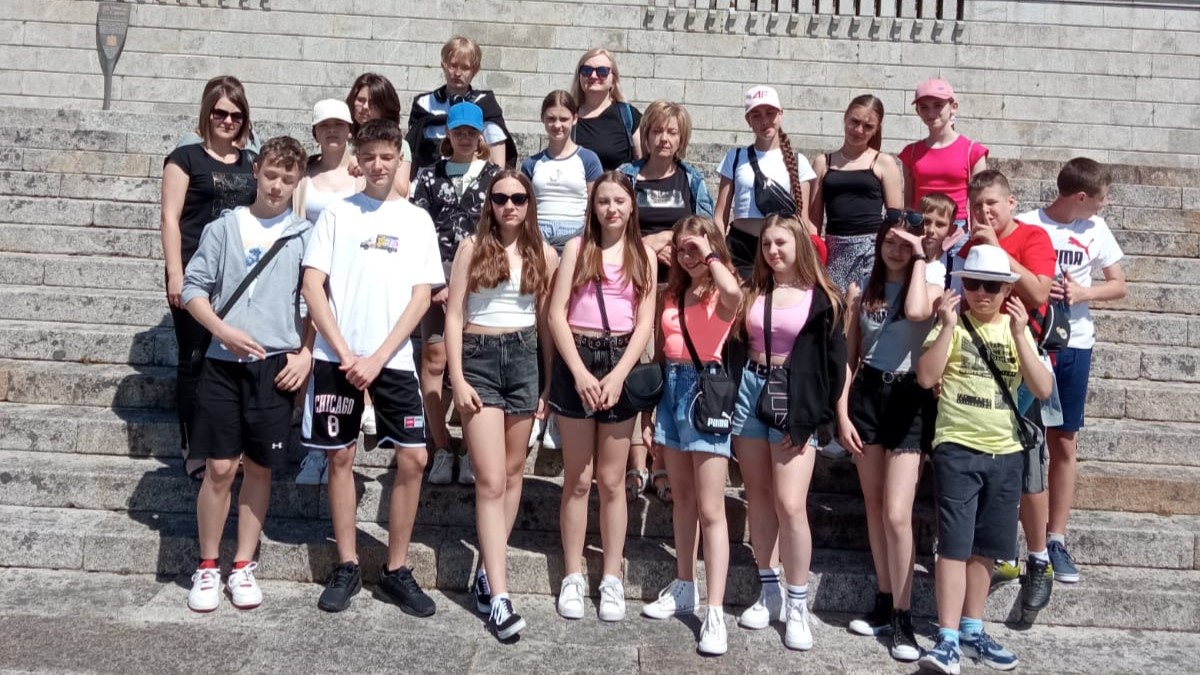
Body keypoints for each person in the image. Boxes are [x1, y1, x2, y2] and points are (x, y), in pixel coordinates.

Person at [300, 119, 444, 616]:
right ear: (356, 160)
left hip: (393, 358)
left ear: (400, 157)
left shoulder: (417, 220)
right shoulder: (337, 213)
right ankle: (347, 563)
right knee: (340, 457)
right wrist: (345, 354)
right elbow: (312, 285)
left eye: (387, 156)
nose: (379, 165)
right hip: (336, 356)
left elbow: (422, 296)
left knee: (414, 458)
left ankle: (396, 568)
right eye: (370, 157)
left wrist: (379, 356)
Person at [181, 136, 313, 612]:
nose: (277, 186)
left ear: (298, 183)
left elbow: (318, 300)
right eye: (271, 175)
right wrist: (223, 330)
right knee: (219, 467)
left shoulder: (305, 235)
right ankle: (207, 564)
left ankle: (242, 564)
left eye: (287, 179)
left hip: (274, 364)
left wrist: (306, 353)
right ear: (256, 171)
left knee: (259, 466)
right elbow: (193, 289)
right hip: (223, 360)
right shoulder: (223, 227)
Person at [916, 246, 1054, 674]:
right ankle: (948, 637)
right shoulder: (953, 325)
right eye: (973, 284)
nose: (981, 293)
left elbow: (1043, 388)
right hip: (957, 445)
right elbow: (926, 376)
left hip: (1005, 450)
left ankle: (972, 630)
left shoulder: (1017, 330)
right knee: (954, 545)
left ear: (1007, 290)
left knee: (986, 548)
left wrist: (1020, 335)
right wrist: (946, 326)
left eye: (991, 286)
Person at [445, 170, 558, 640]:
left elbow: (546, 322)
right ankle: (501, 597)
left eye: (518, 197)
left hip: (524, 358)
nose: (509, 205)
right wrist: (456, 377)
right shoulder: (472, 247)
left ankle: (487, 575)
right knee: (490, 480)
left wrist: (547, 383)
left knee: (513, 474)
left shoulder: (543, 252)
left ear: (529, 203)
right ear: (489, 203)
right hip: (480, 358)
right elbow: (454, 315)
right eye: (500, 197)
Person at [730, 215, 846, 651]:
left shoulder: (823, 299)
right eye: (766, 245)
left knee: (791, 504)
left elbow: (835, 366)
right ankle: (769, 588)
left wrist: (819, 418)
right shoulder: (753, 290)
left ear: (799, 244)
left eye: (781, 243)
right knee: (758, 497)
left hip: (795, 398)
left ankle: (797, 602)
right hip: (750, 391)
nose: (773, 251)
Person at [548, 172, 656, 623]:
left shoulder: (643, 254)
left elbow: (644, 322)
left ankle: (611, 576)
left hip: (619, 361)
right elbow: (556, 314)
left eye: (619, 201)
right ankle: (573, 573)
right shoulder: (577, 249)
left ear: (631, 207)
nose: (612, 209)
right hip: (578, 355)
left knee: (612, 480)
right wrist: (577, 371)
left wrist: (618, 375)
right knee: (577, 477)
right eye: (603, 201)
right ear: (592, 207)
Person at [1019, 158, 1126, 585]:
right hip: (1028, 341)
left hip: (1074, 342)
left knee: (1063, 439)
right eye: (1102, 197)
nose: (1105, 203)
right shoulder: (1028, 223)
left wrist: (1083, 292)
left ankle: (1056, 538)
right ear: (1081, 197)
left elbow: (1118, 284)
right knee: (1020, 440)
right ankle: (1013, 538)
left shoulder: (1096, 229)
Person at [836, 220, 939, 661]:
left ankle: (903, 615)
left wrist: (920, 255)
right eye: (889, 241)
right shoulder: (863, 291)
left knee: (898, 513)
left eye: (904, 243)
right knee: (875, 506)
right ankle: (883, 599)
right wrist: (842, 412)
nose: (895, 249)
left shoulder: (930, 286)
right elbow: (849, 356)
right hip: (867, 395)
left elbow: (916, 313)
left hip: (909, 396)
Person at [641, 215, 743, 657]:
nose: (687, 256)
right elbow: (661, 349)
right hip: (672, 389)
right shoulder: (672, 292)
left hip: (706, 390)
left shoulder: (721, 290)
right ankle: (685, 583)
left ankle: (715, 610)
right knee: (682, 498)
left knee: (711, 507)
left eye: (695, 248)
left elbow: (736, 294)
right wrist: (651, 412)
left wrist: (710, 254)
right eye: (682, 249)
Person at [957, 171, 1057, 617]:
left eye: (992, 204)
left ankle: (1039, 559)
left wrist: (996, 247)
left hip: (1021, 362)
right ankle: (999, 554)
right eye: (977, 205)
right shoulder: (969, 245)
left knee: (1029, 464)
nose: (984, 212)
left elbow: (1038, 293)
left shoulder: (1032, 237)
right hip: (976, 368)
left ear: (1011, 203)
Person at [616, 99, 716, 504]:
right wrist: (651, 243)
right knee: (637, 371)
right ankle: (634, 463)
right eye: (657, 130)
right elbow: (609, 230)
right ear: (646, 134)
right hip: (634, 288)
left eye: (672, 131)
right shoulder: (627, 177)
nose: (664, 138)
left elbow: (708, 233)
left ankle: (661, 461)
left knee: (670, 372)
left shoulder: (692, 180)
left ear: (682, 138)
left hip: (679, 291)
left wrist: (674, 246)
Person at [161, 77, 258, 481]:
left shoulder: (252, 161)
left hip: (239, 278)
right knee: (195, 361)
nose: (227, 120)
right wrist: (175, 273)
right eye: (219, 112)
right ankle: (194, 448)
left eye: (235, 114)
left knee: (232, 365)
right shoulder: (184, 158)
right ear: (207, 113)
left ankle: (230, 445)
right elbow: (170, 218)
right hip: (195, 274)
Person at [411, 102, 502, 487]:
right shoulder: (429, 176)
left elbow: (502, 230)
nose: (465, 137)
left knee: (474, 363)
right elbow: (418, 230)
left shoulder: (496, 177)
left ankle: (470, 448)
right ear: (447, 133)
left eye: (471, 132)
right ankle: (442, 445)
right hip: (437, 279)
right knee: (434, 359)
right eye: (458, 131)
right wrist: (436, 283)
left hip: (483, 281)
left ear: (480, 135)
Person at [293, 99, 361, 487]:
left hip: (350, 282)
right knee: (311, 360)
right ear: (315, 131)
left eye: (339, 124)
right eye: (325, 125)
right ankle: (314, 449)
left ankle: (339, 443)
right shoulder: (303, 174)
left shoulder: (361, 173)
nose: (332, 131)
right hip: (310, 277)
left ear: (350, 129)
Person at [715, 85, 822, 281]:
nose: (764, 120)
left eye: (770, 113)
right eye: (756, 115)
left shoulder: (799, 162)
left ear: (781, 114)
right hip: (741, 250)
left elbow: (803, 220)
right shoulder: (735, 157)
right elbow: (720, 215)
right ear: (748, 120)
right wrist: (719, 256)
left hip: (780, 249)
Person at [809, 94, 904, 291]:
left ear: (876, 129)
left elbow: (895, 217)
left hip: (871, 249)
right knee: (833, 303)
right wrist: (814, 250)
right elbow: (813, 218)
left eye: (868, 126)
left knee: (864, 304)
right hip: (834, 248)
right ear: (845, 117)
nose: (859, 130)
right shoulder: (823, 162)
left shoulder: (883, 162)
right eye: (855, 121)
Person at [899, 78, 988, 254]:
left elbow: (978, 201)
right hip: (921, 228)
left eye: (938, 105)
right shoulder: (910, 153)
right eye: (924, 107)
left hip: (958, 231)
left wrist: (977, 238)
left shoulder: (973, 151)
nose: (931, 112)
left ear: (953, 106)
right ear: (917, 111)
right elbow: (908, 202)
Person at [406, 35, 517, 174]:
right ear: (443, 65)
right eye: (453, 65)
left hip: (474, 182)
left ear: (475, 70)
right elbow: (411, 153)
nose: (458, 73)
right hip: (429, 181)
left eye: (465, 67)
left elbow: (498, 165)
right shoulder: (424, 104)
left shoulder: (486, 105)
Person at [522, 90, 603, 252]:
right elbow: (524, 203)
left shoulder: (588, 159)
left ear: (575, 119)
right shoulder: (531, 163)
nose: (557, 125)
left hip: (576, 232)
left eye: (564, 119)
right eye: (551, 119)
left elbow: (596, 200)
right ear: (542, 119)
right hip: (539, 232)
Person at [570, 48, 642, 171]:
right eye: (586, 70)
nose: (593, 76)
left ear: (613, 79)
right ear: (579, 76)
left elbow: (643, 163)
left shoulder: (627, 115)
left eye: (602, 71)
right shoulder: (568, 117)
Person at [345, 72, 413, 198]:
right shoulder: (342, 142)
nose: (365, 107)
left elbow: (401, 190)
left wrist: (366, 168)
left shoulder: (400, 145)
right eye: (360, 100)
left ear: (385, 107)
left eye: (372, 103)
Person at [173, 75, 260, 154]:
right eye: (221, 113)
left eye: (236, 115)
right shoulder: (189, 144)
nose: (228, 121)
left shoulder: (251, 138)